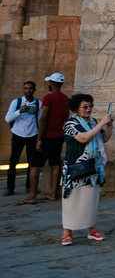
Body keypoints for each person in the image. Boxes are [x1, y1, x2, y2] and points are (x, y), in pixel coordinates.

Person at [60, 93, 114, 245]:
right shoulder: (70, 124)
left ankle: (92, 229)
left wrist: (109, 125)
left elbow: (103, 139)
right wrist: (101, 123)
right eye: (85, 107)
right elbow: (84, 138)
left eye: (90, 106)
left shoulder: (93, 122)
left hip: (93, 166)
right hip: (75, 167)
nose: (89, 109)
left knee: (90, 199)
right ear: (76, 108)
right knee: (72, 199)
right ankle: (67, 231)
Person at [24, 73, 69, 204]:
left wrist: (39, 139)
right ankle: (52, 194)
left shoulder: (48, 98)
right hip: (59, 136)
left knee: (34, 166)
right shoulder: (66, 99)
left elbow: (43, 118)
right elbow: (65, 117)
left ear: (52, 84)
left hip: (46, 136)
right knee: (55, 164)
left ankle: (32, 196)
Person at [5, 81, 40, 197]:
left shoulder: (38, 103)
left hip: (32, 135)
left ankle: (29, 186)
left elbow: (40, 120)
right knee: (13, 162)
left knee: (32, 162)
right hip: (18, 134)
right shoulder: (16, 102)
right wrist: (20, 111)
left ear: (34, 89)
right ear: (23, 90)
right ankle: (10, 188)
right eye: (26, 88)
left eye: (30, 88)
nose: (28, 90)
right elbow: (8, 119)